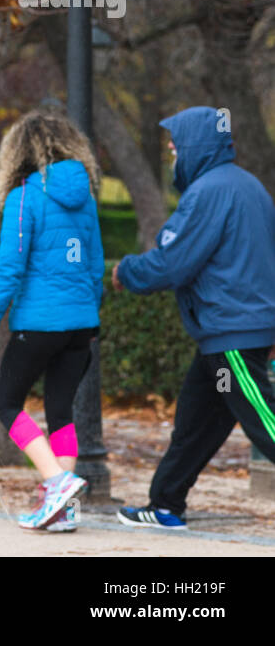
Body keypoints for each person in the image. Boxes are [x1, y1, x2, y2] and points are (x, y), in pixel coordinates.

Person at [113, 105, 275, 530]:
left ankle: (166, 502)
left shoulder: (208, 192)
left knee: (265, 420)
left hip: (233, 331)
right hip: (229, 333)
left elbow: (172, 263)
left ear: (195, 146)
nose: (171, 151)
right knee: (196, 420)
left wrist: (125, 271)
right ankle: (165, 505)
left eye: (175, 145)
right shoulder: (248, 186)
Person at [0, 109, 104, 531]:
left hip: (38, 324)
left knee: (6, 402)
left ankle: (57, 482)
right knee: (61, 410)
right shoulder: (85, 197)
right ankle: (63, 512)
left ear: (20, 152)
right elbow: (95, 265)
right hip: (81, 326)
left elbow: (9, 268)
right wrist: (91, 317)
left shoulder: (24, 196)